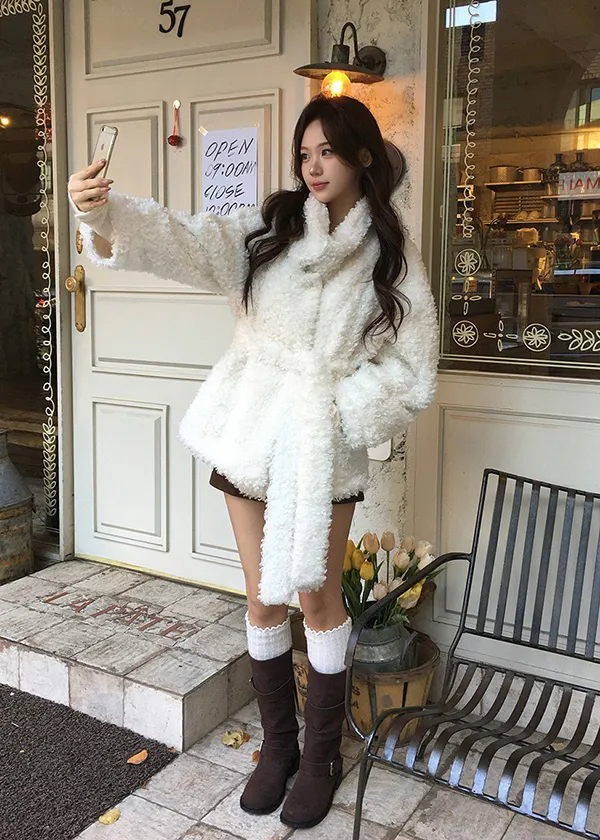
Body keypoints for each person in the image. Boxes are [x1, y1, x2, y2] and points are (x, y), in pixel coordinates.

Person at [68, 94, 438, 829]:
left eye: (327, 151)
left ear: (362, 156)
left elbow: (413, 371)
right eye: (305, 154)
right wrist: (101, 214)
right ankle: (279, 747)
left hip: (321, 448)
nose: (313, 167)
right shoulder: (272, 229)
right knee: (263, 601)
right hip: (249, 433)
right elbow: (187, 239)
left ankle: (322, 755)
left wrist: (339, 409)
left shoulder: (392, 257)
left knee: (318, 602)